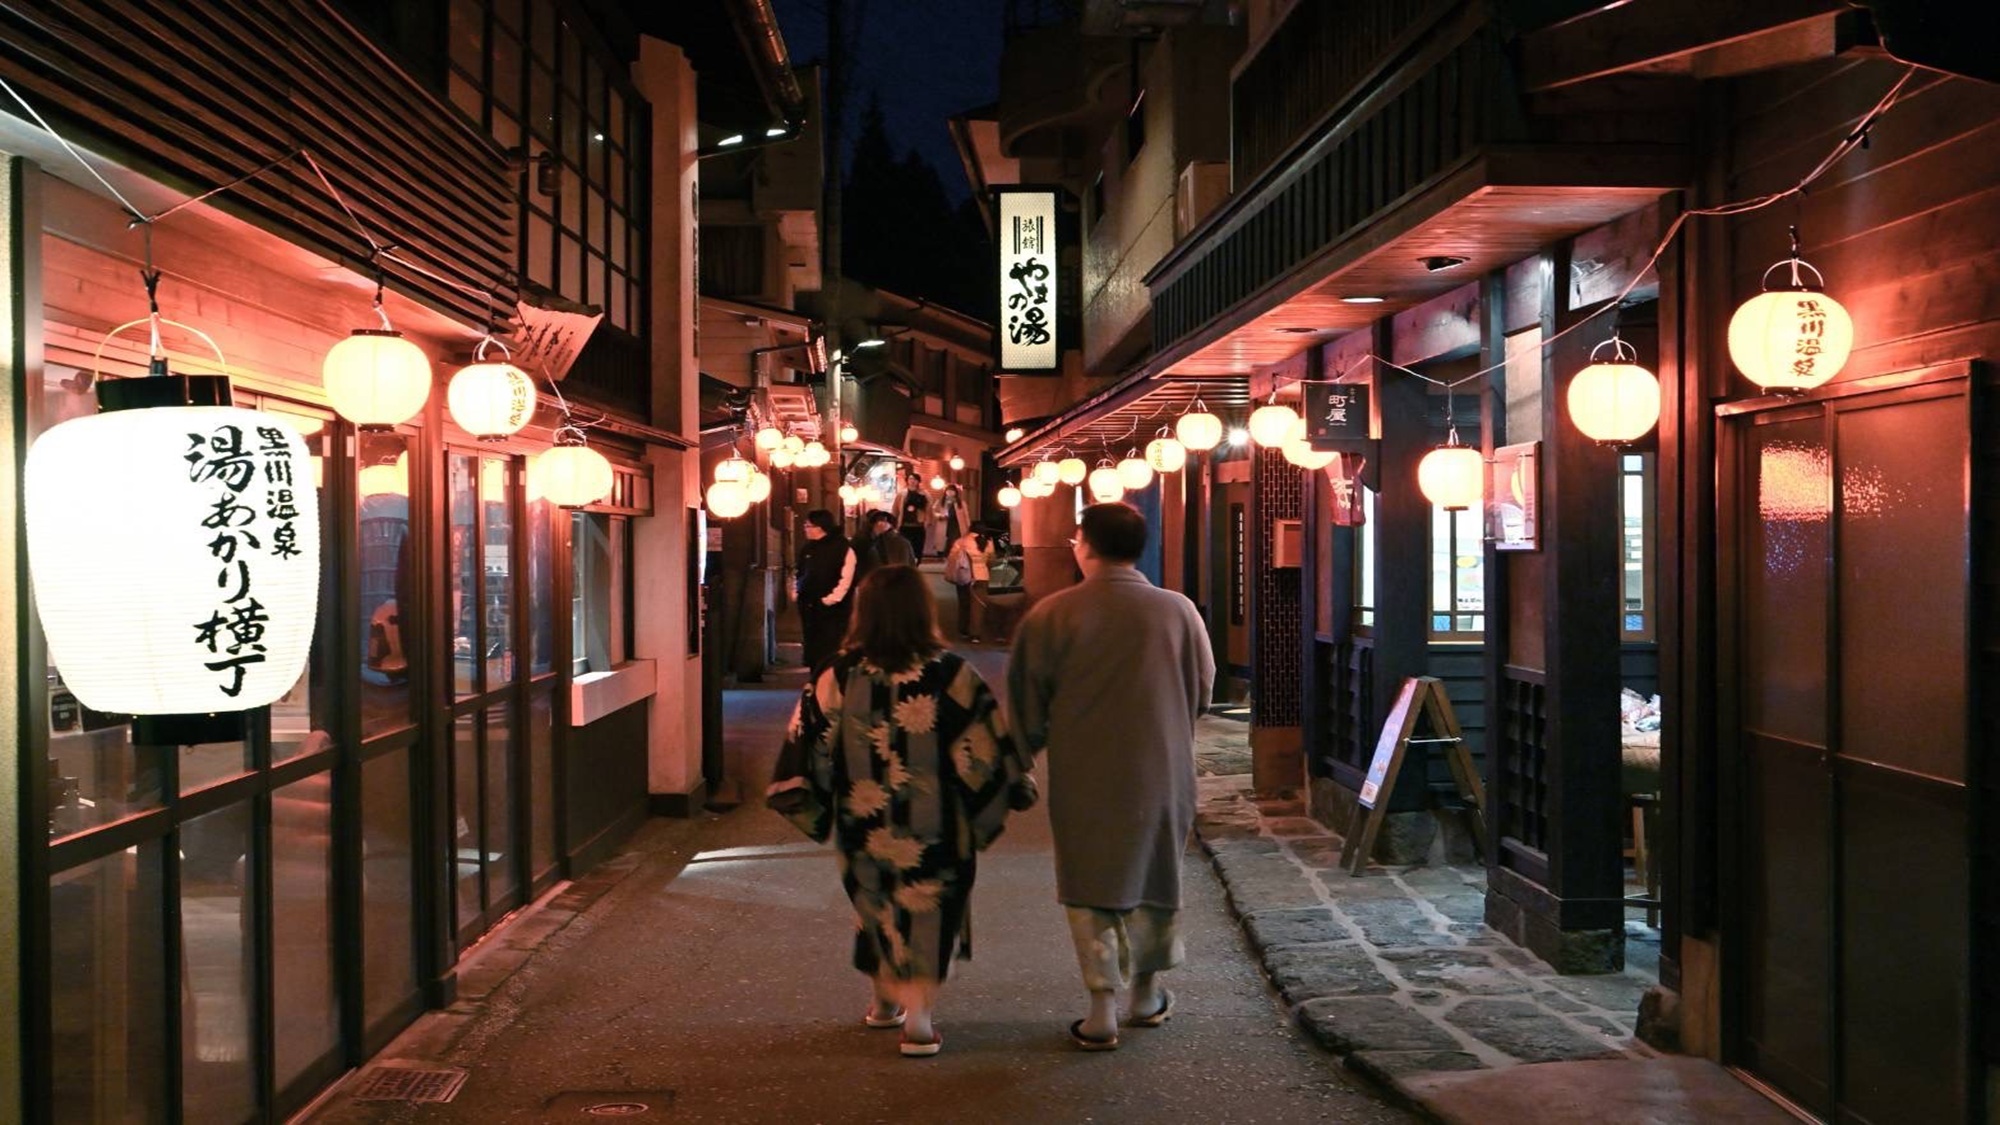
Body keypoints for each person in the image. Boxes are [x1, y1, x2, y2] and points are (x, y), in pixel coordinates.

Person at [767, 565, 1037, 1057]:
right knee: (930, 909)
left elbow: (813, 742)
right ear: (923, 610)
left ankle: (883, 1002)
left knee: (877, 904)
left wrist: (821, 797)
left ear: (863, 613)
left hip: (863, 820)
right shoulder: (951, 673)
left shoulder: (839, 673)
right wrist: (1010, 785)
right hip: (938, 823)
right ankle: (919, 1020)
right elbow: (983, 747)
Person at [1008, 502, 1215, 1051]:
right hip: (1164, 768)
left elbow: (1025, 706)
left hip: (1084, 773)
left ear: (1085, 546)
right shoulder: (1179, 611)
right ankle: (1146, 995)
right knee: (1157, 877)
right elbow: (1204, 689)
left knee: (1090, 882)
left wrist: (1020, 762)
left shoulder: (1053, 614)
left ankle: (1101, 1008)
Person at [794, 509, 855, 672]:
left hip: (833, 608)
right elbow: (800, 572)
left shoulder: (842, 547)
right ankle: (814, 676)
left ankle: (828, 677)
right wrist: (797, 591)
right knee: (812, 642)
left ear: (820, 527)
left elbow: (847, 577)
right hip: (808, 604)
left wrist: (832, 598)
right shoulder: (808, 548)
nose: (805, 529)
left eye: (808, 525)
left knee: (830, 644)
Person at [944, 526, 994, 642]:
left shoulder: (961, 541)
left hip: (964, 576)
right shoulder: (988, 542)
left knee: (964, 603)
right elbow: (991, 560)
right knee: (978, 607)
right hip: (982, 577)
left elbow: (952, 557)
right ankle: (975, 634)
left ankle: (964, 630)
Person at [857, 509, 916, 578]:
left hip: (893, 580)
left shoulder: (901, 542)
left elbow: (909, 564)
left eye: (885, 521)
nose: (881, 524)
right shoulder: (864, 540)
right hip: (877, 579)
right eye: (879, 521)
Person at [897, 471, 929, 562]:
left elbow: (929, 509)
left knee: (918, 546)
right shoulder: (902, 494)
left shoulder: (924, 494)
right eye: (910, 479)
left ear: (918, 481)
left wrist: (928, 520)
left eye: (915, 479)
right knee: (905, 545)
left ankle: (916, 561)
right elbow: (896, 509)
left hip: (918, 525)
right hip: (904, 525)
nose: (912, 481)